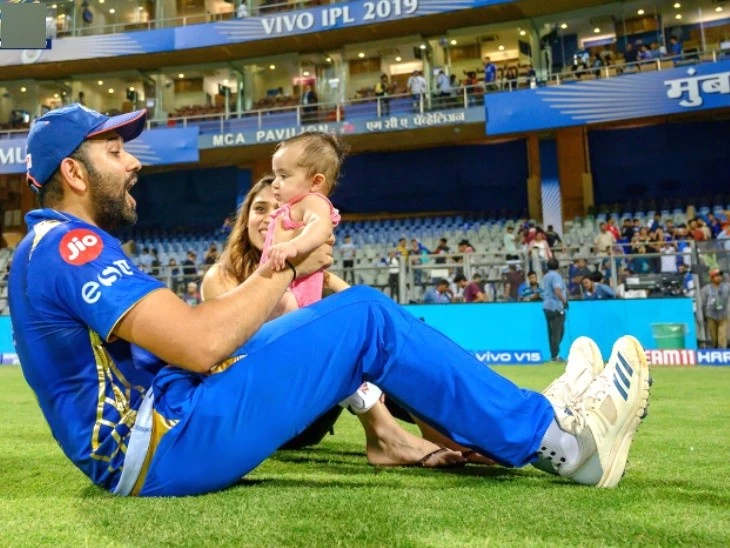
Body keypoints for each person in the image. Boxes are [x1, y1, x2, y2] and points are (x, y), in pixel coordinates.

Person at [10, 104, 650, 497]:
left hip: (169, 419)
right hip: (162, 443)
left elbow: (187, 349)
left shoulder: (52, 247)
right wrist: (287, 266)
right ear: (74, 172)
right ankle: (562, 443)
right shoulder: (68, 247)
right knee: (364, 317)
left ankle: (530, 420)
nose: (133, 163)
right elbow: (199, 344)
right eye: (115, 151)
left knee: (354, 321)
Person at [203, 175, 466, 467]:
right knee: (330, 333)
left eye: (280, 210)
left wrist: (323, 277)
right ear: (245, 219)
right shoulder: (222, 276)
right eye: (260, 209)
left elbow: (371, 315)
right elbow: (248, 350)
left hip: (312, 412)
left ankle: (439, 430)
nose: (270, 218)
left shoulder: (308, 274)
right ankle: (385, 436)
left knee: (378, 337)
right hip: (260, 414)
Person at [262, 132, 343, 311]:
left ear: (316, 182)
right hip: (278, 290)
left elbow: (320, 226)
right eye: (275, 175)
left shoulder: (313, 201)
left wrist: (293, 246)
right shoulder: (291, 208)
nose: (275, 183)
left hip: (296, 296)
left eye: (284, 176)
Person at [542, 258, 568, 361]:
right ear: (558, 266)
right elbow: (557, 290)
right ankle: (555, 355)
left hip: (547, 306)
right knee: (558, 331)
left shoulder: (546, 276)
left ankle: (553, 354)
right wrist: (564, 301)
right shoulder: (556, 276)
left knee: (551, 332)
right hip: (556, 306)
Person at [700, 268, 729, 349]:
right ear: (711, 278)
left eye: (720, 276)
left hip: (724, 316)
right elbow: (703, 303)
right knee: (714, 338)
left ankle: (722, 352)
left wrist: (725, 276)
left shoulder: (726, 286)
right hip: (711, 316)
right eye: (716, 276)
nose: (719, 277)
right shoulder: (705, 289)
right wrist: (704, 316)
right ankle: (716, 352)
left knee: (722, 337)